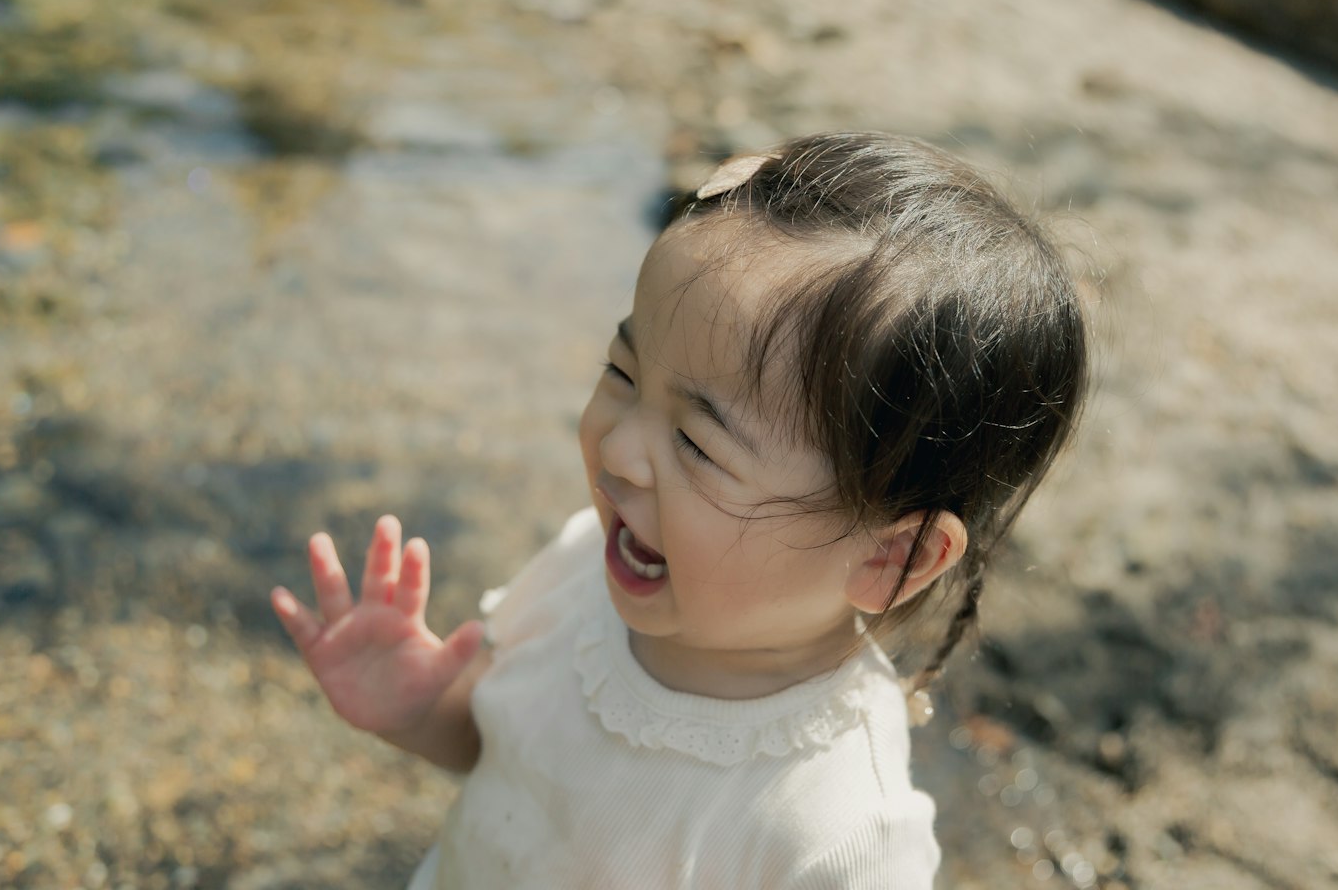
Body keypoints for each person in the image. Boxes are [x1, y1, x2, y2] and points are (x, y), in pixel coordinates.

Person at [269, 131, 1089, 889]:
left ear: (891, 558)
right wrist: (419, 709)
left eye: (697, 445)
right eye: (623, 375)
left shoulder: (837, 827)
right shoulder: (582, 568)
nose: (620, 450)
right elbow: (503, 750)